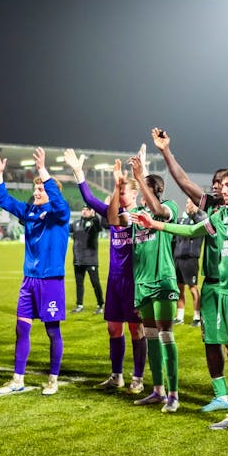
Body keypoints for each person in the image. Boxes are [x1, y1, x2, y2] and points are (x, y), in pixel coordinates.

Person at [136, 169, 228, 440]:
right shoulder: (220, 216)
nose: (223, 189)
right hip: (225, 294)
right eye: (222, 185)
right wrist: (156, 225)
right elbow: (192, 230)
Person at [152, 121, 228, 415]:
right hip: (212, 285)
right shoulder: (212, 208)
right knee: (211, 341)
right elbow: (182, 180)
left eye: (224, 182)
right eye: (216, 182)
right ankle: (221, 395)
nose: (218, 185)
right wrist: (166, 151)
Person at [108, 145, 181, 412]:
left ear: (155, 190)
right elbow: (113, 219)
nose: (139, 193)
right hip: (142, 284)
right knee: (150, 337)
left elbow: (158, 211)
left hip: (163, 282)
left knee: (165, 336)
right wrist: (118, 186)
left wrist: (140, 176)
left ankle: (173, 395)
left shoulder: (168, 207)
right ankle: (158, 390)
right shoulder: (138, 215)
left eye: (143, 188)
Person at [0, 148, 70, 395]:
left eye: (40, 189)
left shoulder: (60, 215)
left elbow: (58, 202)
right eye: (35, 189)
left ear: (51, 193)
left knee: (52, 331)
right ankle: (18, 379)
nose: (36, 192)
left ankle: (53, 380)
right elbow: (5, 201)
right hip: (29, 280)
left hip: (51, 281)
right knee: (21, 328)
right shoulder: (29, 212)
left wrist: (43, 171)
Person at [69, 152, 147, 393]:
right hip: (115, 280)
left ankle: (138, 377)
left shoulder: (142, 216)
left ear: (135, 194)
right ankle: (116, 376)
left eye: (124, 191)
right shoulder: (113, 213)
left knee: (136, 329)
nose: (120, 195)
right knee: (113, 328)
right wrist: (78, 172)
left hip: (134, 280)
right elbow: (89, 198)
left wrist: (140, 174)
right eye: (119, 191)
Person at [172, 198, 205, 325]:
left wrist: (195, 213)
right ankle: (179, 317)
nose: (188, 204)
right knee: (179, 288)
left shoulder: (199, 220)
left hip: (190, 258)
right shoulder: (181, 220)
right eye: (187, 202)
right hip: (178, 258)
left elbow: (201, 225)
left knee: (193, 288)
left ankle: (197, 317)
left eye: (191, 202)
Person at [70, 205, 104, 314]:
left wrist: (95, 216)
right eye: (83, 209)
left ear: (91, 211)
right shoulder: (76, 223)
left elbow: (98, 225)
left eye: (87, 210)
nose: (84, 211)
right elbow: (64, 228)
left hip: (90, 259)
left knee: (95, 283)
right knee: (79, 284)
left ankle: (100, 305)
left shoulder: (94, 222)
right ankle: (79, 305)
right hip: (78, 259)